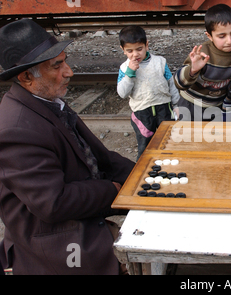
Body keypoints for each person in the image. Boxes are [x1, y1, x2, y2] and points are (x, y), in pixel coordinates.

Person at [0, 19, 135, 275]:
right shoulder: (16, 129)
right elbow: (54, 203)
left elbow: (102, 158)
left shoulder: (46, 99)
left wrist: (146, 178)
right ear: (27, 76)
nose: (69, 71)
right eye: (57, 65)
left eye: (65, 60)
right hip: (57, 246)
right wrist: (115, 191)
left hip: (76, 222)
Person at [117, 25, 180, 159]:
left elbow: (171, 83)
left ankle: (170, 165)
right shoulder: (124, 69)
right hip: (142, 112)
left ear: (147, 45)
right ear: (123, 50)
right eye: (130, 51)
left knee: (169, 140)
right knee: (145, 145)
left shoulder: (160, 62)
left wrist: (176, 105)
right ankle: (145, 173)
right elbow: (122, 93)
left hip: (164, 107)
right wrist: (130, 74)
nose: (135, 54)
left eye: (139, 49)